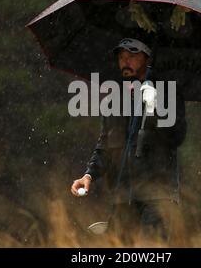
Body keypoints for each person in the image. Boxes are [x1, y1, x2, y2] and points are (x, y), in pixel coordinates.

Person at [71, 38, 187, 243]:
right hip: (123, 196)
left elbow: (177, 136)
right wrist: (89, 175)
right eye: (122, 57)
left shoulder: (168, 93)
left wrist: (155, 106)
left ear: (147, 58)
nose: (125, 62)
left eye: (132, 56)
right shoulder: (113, 100)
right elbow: (105, 145)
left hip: (157, 195)